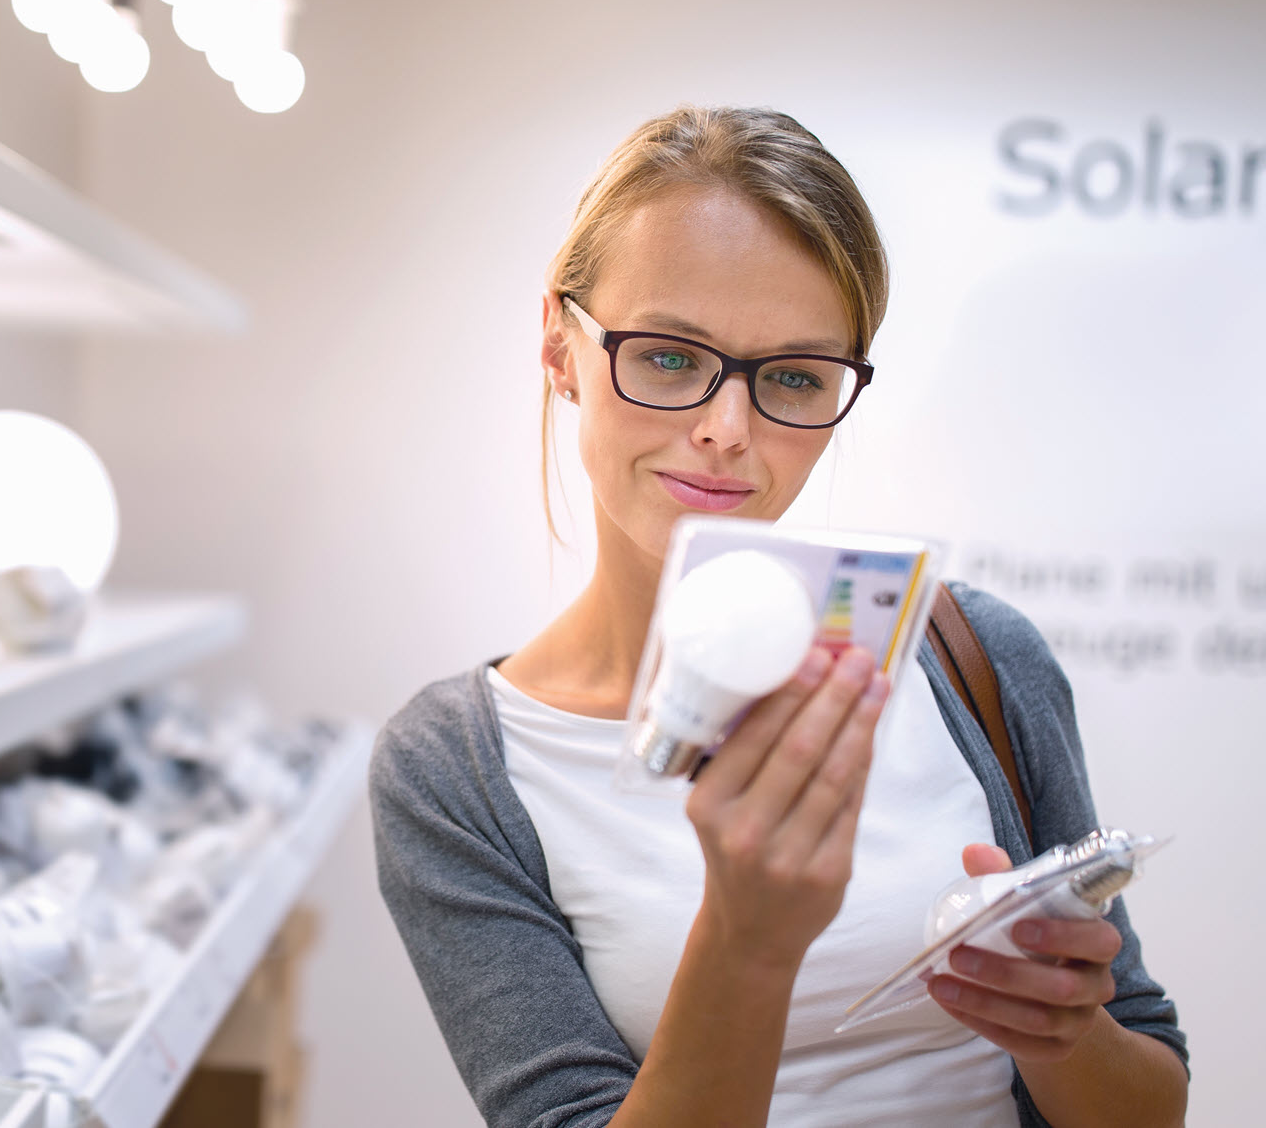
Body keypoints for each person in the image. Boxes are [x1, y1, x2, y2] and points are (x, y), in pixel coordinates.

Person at [369, 106, 1187, 1127]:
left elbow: (1148, 1094)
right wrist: (747, 943)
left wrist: (1062, 1032)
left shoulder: (971, 658)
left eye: (792, 378)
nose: (724, 429)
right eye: (667, 356)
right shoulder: (454, 767)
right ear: (559, 348)